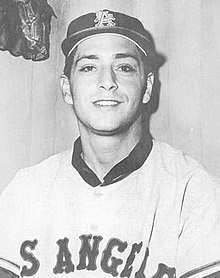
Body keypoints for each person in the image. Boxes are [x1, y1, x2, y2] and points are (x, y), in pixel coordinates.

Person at [0, 9, 220, 278]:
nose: (107, 82)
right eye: (89, 67)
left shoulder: (193, 191)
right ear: (67, 89)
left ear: (147, 87)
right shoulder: (26, 190)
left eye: (124, 67)